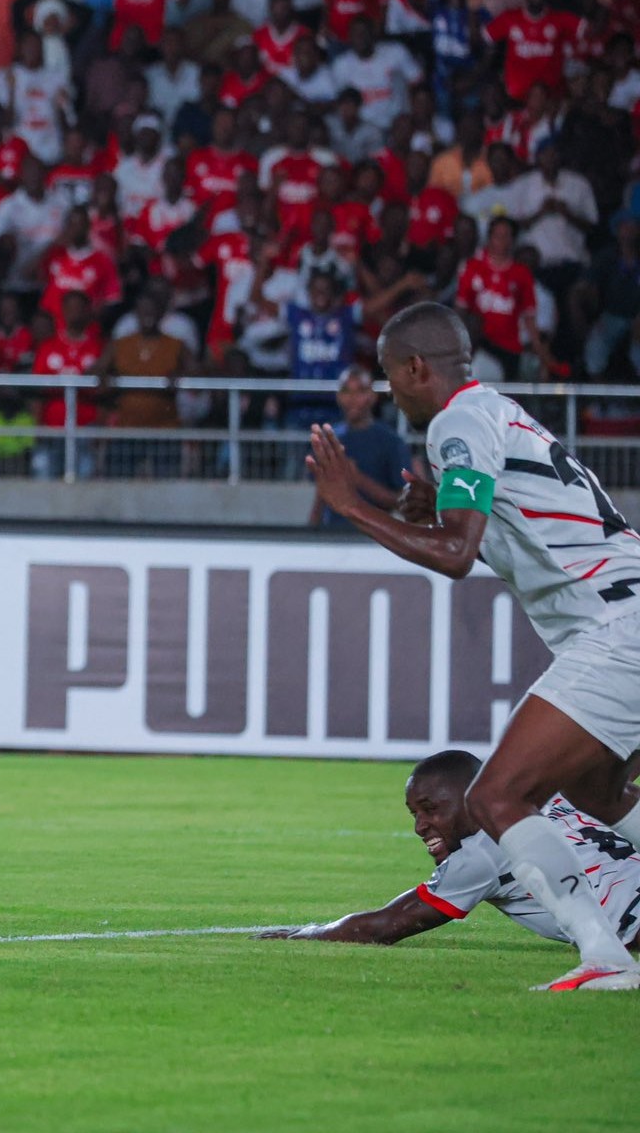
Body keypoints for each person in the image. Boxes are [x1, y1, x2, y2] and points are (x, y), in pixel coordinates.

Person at [308, 302, 640, 991]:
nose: (387, 390)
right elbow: (494, 536)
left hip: (616, 629)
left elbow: (454, 553)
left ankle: (604, 958)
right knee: (596, 790)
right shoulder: (497, 412)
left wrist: (351, 506)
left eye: (387, 375)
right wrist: (436, 516)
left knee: (496, 797)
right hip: (623, 618)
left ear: (414, 367)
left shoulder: (457, 422)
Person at [260, 751, 640, 952]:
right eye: (414, 814)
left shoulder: (481, 852)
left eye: (431, 809)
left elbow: (386, 926)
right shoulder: (549, 794)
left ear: (471, 797)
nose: (420, 826)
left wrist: (306, 934)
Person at [309, 366, 408, 530]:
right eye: (346, 391)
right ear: (339, 396)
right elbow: (321, 495)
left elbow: (402, 503)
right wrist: (311, 531)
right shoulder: (329, 439)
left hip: (375, 538)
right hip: (332, 536)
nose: (352, 398)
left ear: (372, 396)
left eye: (360, 391)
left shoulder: (391, 442)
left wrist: (358, 480)